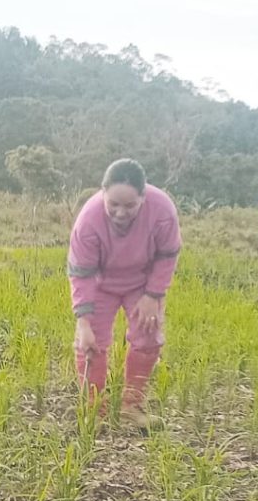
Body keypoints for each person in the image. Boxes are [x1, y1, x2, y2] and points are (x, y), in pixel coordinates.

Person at [68, 159, 182, 430]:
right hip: (99, 283)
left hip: (142, 283)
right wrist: (83, 322)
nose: (120, 212)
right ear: (102, 193)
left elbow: (168, 255)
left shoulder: (162, 209)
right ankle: (94, 410)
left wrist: (154, 295)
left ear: (143, 197)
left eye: (130, 205)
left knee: (148, 335)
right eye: (113, 205)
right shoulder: (88, 220)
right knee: (91, 344)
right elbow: (81, 273)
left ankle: (133, 406)